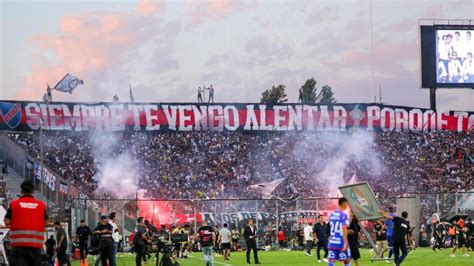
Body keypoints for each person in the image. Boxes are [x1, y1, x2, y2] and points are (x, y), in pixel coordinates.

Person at [4, 180, 47, 266]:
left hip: (18, 246)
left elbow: (7, 221)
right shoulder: (41, 205)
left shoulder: (14, 204)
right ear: (33, 191)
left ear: (21, 191)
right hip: (35, 246)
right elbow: (45, 222)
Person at [328, 198, 351, 266]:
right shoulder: (344, 215)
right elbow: (344, 227)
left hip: (332, 242)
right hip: (341, 242)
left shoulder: (332, 214)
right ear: (345, 204)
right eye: (347, 204)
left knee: (331, 261)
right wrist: (345, 242)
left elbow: (334, 226)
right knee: (347, 260)